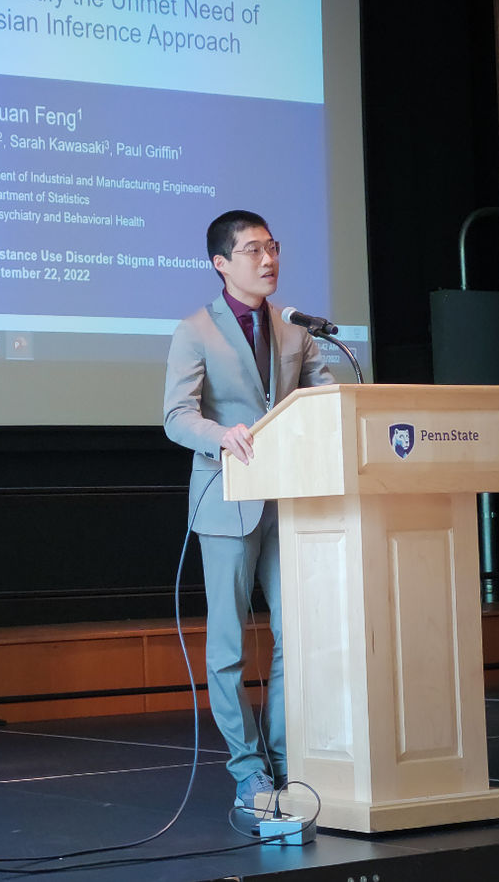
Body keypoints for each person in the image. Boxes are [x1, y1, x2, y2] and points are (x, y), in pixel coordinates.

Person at [163, 209, 333, 810]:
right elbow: (176, 417)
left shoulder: (295, 330)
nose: (269, 260)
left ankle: (287, 759)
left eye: (274, 247)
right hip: (226, 501)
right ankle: (247, 768)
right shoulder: (195, 331)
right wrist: (220, 434)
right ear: (221, 263)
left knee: (295, 634)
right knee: (231, 644)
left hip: (288, 502)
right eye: (254, 250)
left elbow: (326, 397)